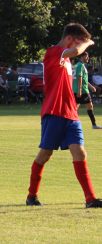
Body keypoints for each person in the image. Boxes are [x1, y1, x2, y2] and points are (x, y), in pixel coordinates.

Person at [26, 23, 102, 208]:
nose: (83, 46)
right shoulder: (52, 52)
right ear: (70, 39)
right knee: (45, 155)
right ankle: (31, 196)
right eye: (79, 41)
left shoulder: (67, 60)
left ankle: (90, 199)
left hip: (71, 114)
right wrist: (88, 43)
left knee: (80, 153)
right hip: (54, 112)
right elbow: (76, 51)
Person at [73, 52, 100, 129]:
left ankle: (68, 124)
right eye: (86, 56)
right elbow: (79, 78)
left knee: (75, 107)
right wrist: (80, 90)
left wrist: (91, 87)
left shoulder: (78, 65)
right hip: (83, 91)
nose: (88, 58)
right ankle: (94, 125)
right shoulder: (80, 66)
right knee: (89, 106)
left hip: (77, 89)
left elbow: (83, 79)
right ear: (82, 57)